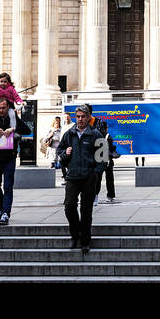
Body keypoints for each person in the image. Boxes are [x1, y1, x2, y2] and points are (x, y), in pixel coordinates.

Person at [59, 103, 105, 252]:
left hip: (88, 176)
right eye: (78, 117)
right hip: (73, 176)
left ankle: (85, 240)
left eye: (83, 117)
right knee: (69, 206)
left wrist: (96, 173)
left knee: (86, 210)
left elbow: (103, 157)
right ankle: (75, 234)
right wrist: (65, 153)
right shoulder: (69, 134)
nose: (80, 119)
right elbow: (60, 152)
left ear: (88, 117)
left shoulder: (96, 134)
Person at [0, 97, 30, 225]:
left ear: (8, 107)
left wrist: (13, 129)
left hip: (10, 157)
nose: (1, 110)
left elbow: (27, 130)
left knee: (8, 186)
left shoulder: (13, 119)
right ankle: (1, 208)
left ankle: (5, 213)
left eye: (3, 108)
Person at [94, 119, 117, 203]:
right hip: (107, 160)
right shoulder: (108, 136)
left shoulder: (96, 135)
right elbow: (111, 149)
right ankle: (110, 195)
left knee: (98, 179)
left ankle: (95, 195)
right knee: (109, 178)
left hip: (98, 159)